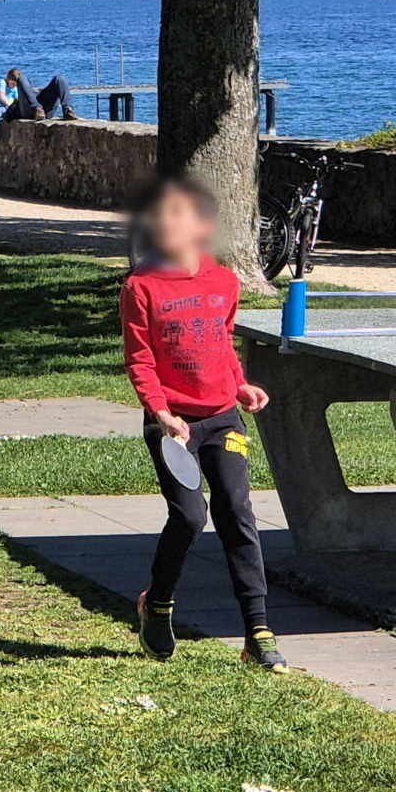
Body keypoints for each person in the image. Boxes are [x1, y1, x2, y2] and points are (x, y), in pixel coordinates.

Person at [120, 178, 286, 673]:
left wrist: (241, 386)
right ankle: (158, 604)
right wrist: (161, 412)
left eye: (177, 214)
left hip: (222, 419)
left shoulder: (224, 282)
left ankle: (258, 632)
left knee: (236, 512)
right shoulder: (141, 287)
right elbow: (140, 360)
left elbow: (222, 343)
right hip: (172, 425)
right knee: (190, 517)